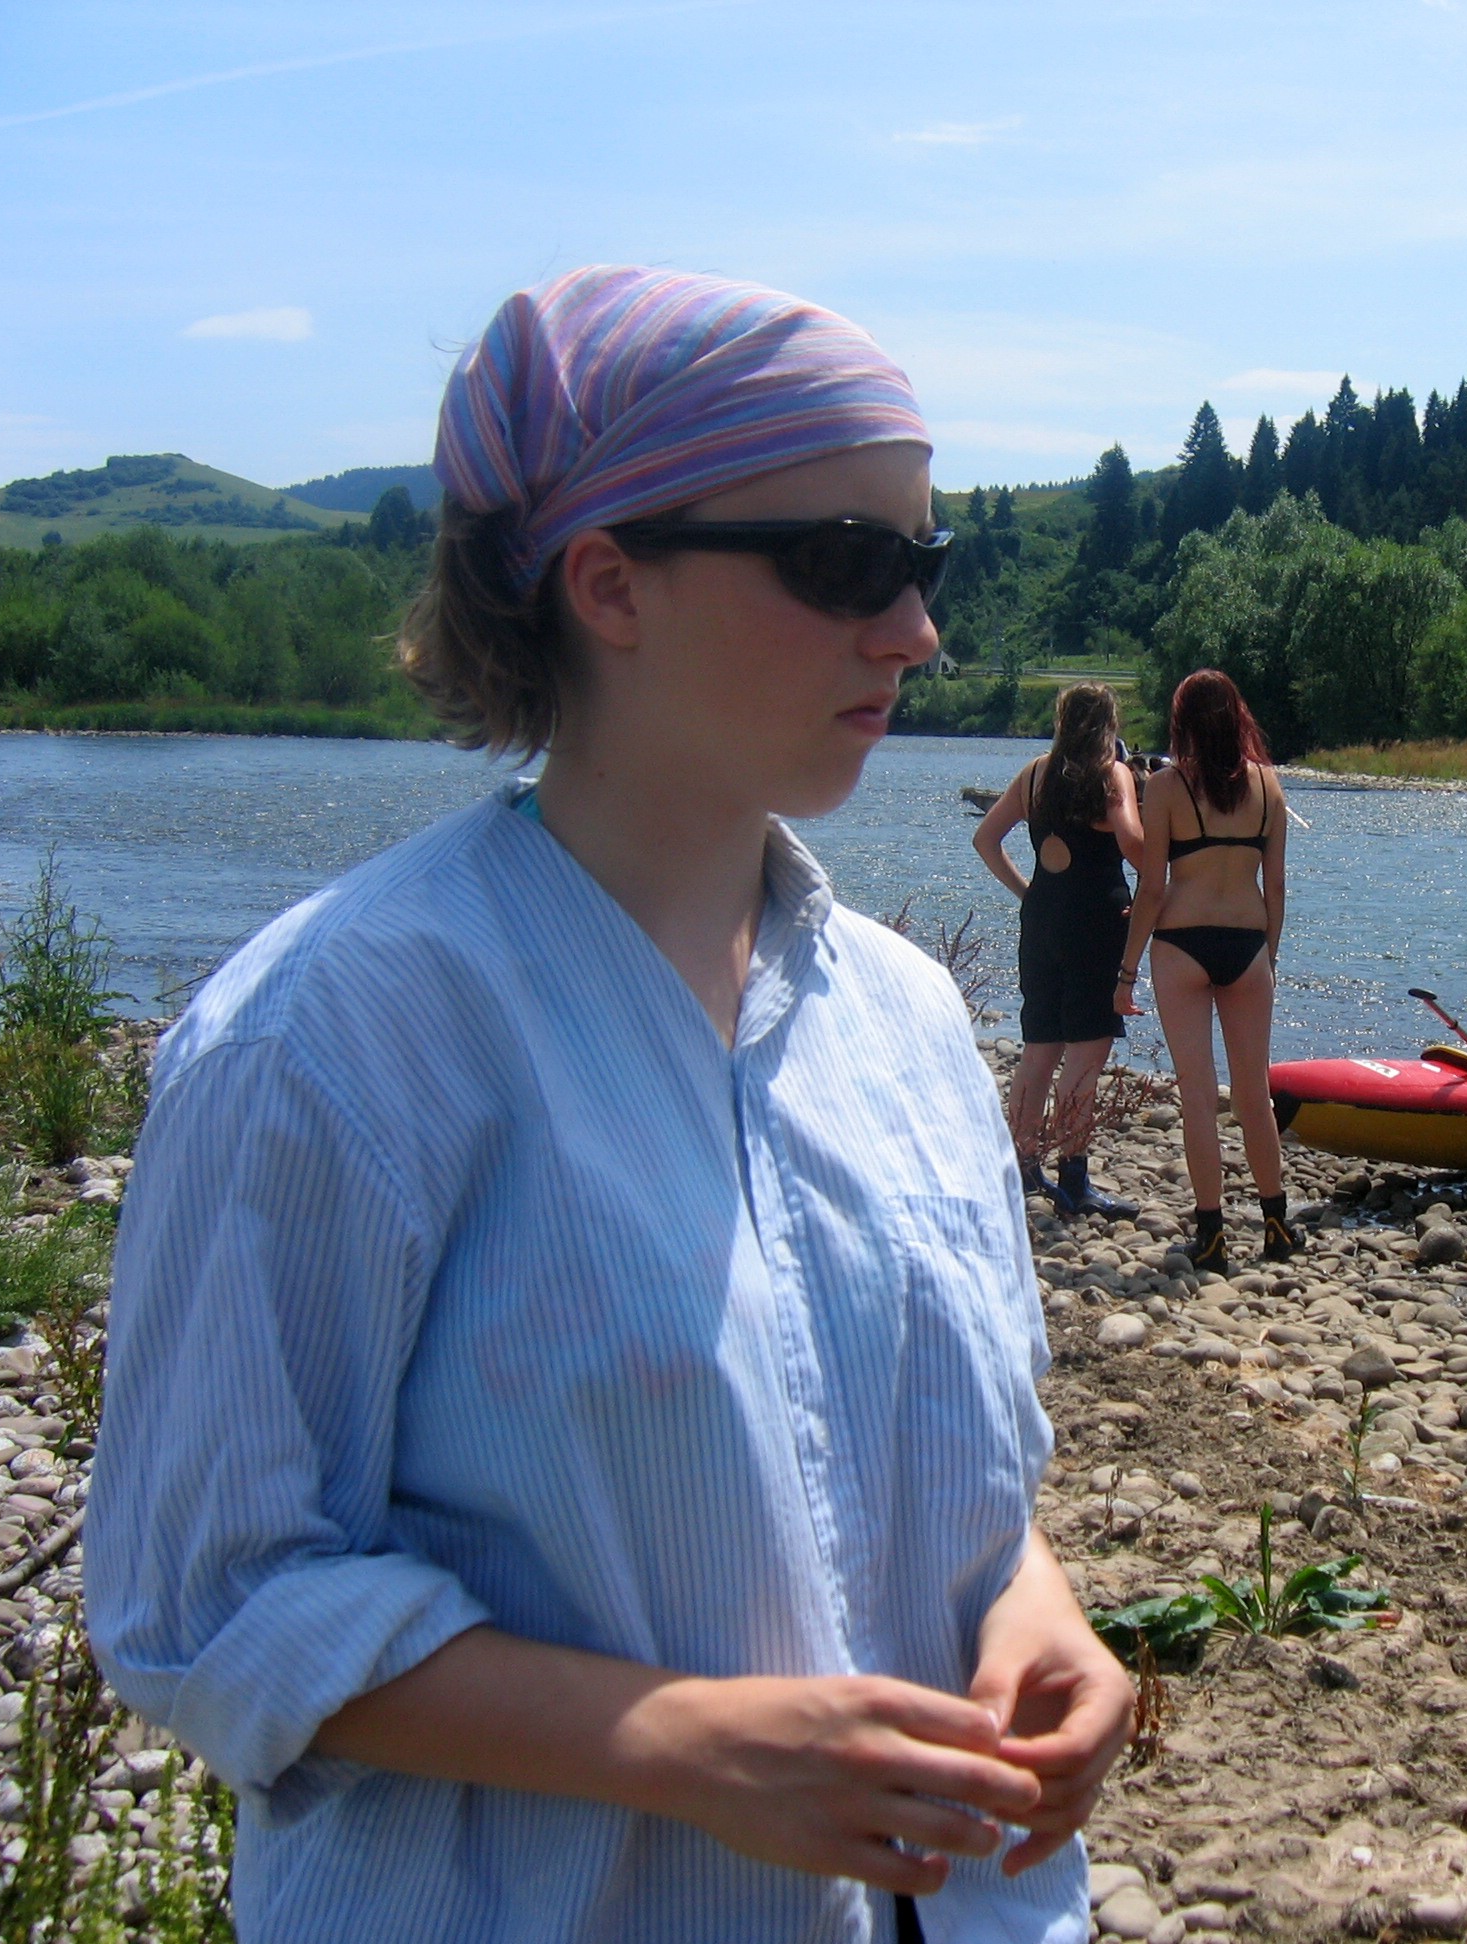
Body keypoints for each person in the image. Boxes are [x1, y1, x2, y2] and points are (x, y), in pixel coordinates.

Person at [85, 266, 1132, 1944]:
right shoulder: (333, 1037)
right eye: (846, 561)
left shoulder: (910, 1018)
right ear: (609, 580)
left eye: (924, 563)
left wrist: (1037, 1613)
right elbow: (209, 1593)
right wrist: (680, 1745)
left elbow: (958, 1483)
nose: (915, 629)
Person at [1115, 669, 1290, 1273]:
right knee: (1254, 1092)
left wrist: (1126, 972)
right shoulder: (1269, 784)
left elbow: (1152, 887)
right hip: (1247, 944)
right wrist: (1269, 956)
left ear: (1183, 722)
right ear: (1237, 717)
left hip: (1181, 945)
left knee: (1197, 1093)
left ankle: (1212, 1235)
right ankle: (1276, 1225)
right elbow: (1276, 888)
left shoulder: (1167, 787)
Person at [972, 683, 1141, 1220]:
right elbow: (1135, 845)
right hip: (1095, 923)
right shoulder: (1111, 776)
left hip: (1042, 917)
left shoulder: (1035, 775)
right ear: (1109, 724)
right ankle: (1073, 1177)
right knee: (1087, 1051)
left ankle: (1023, 1166)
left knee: (1040, 1045)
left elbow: (985, 839)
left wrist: (1027, 892)